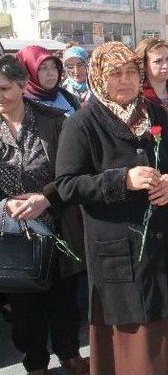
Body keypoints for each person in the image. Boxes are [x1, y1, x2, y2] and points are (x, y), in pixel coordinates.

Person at [55, 41, 168, 375]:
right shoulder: (82, 122)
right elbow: (67, 185)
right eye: (115, 74)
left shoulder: (154, 112)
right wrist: (123, 180)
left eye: (131, 72)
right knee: (133, 329)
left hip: (162, 240)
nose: (125, 81)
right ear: (99, 78)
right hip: (117, 246)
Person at [0, 55, 88, 375]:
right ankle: (35, 363)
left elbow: (72, 171)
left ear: (23, 86)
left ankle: (69, 354)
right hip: (12, 233)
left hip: (57, 224)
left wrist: (45, 198)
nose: (0, 96)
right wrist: (4, 207)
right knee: (24, 306)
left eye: (5, 88)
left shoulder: (54, 121)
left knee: (63, 300)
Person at [15, 45, 80, 116]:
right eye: (43, 68)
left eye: (54, 67)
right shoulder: (19, 106)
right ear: (28, 71)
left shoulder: (66, 96)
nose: (51, 73)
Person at [135, 38, 168, 113]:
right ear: (144, 65)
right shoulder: (138, 98)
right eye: (158, 61)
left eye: (167, 59)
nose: (165, 65)